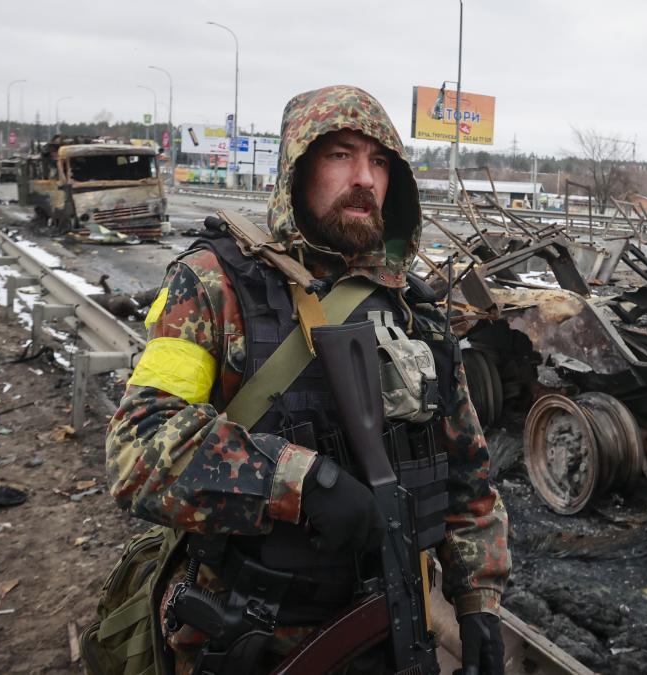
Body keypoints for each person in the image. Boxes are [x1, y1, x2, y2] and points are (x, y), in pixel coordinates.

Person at [100, 85, 510, 674]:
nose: (364, 178)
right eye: (341, 155)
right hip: (253, 637)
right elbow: (138, 448)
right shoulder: (215, 284)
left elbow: (469, 477)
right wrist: (298, 479)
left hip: (388, 635)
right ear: (297, 168)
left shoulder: (415, 315)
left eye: (379, 162)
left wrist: (478, 601)